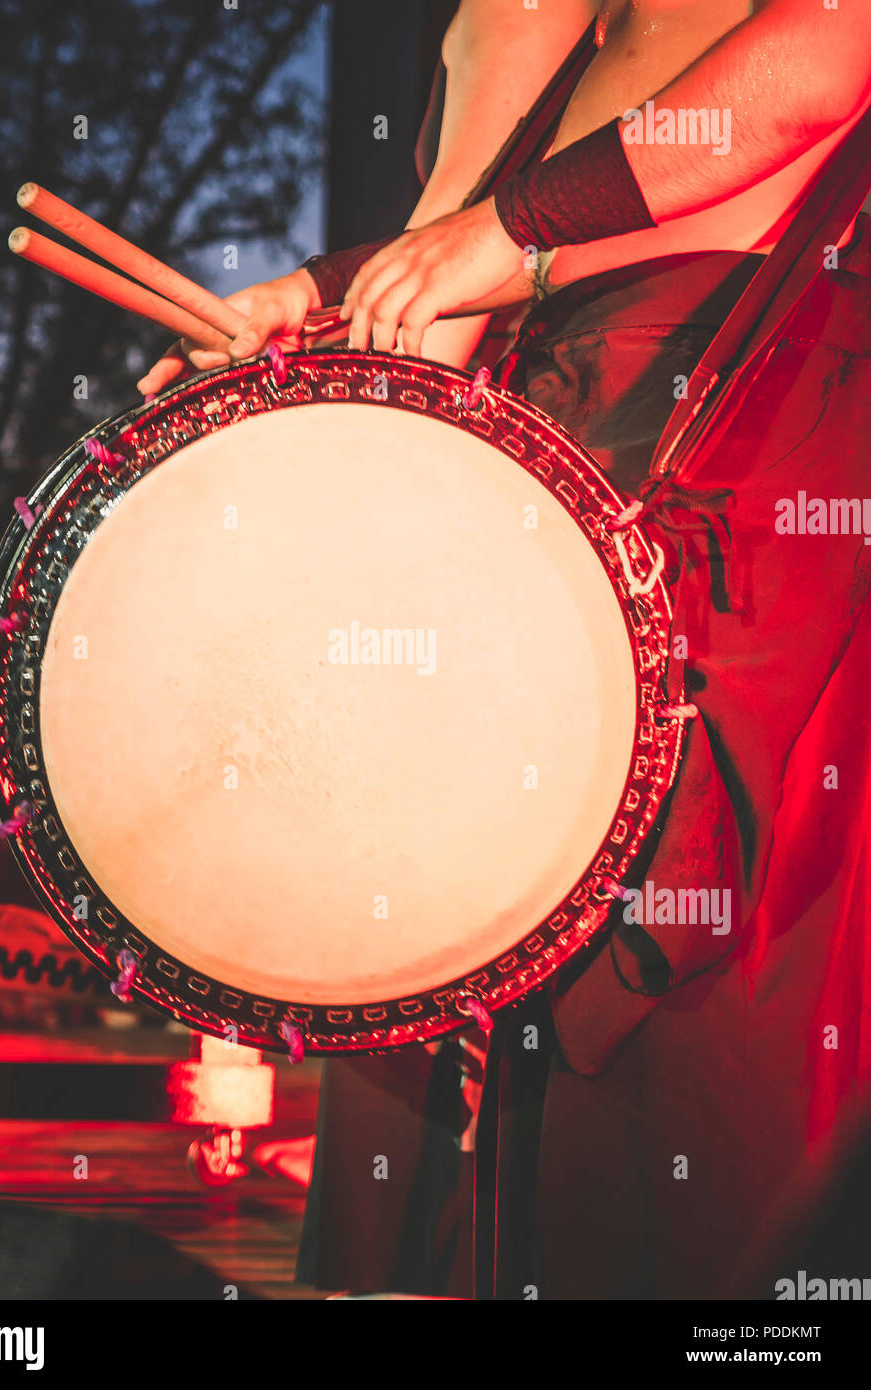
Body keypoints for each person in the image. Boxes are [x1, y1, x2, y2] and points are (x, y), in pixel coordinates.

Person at [140, 0, 871, 1299]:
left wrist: (501, 233)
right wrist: (319, 296)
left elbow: (823, 62)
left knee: (650, 995)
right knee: (417, 935)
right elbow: (471, 232)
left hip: (721, 434)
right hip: (538, 425)